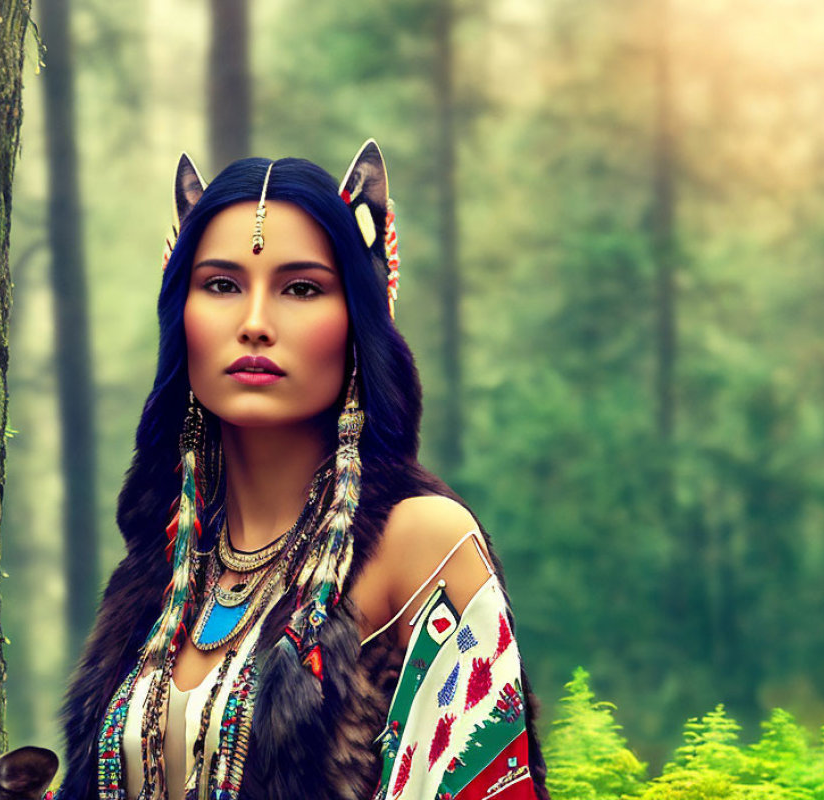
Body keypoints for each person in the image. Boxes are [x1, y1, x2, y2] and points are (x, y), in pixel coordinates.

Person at [54, 142, 549, 800]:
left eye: (302, 288)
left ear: (359, 320)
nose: (255, 323)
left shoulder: (424, 542)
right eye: (222, 285)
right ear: (183, 317)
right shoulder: (163, 569)